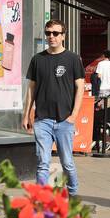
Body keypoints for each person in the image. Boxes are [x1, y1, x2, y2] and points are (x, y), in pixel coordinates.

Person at [23, 19, 85, 197]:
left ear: (63, 36)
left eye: (56, 33)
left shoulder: (73, 59)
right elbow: (31, 89)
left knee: (67, 163)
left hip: (64, 120)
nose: (51, 37)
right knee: (43, 162)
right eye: (48, 33)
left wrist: (73, 115)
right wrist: (26, 114)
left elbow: (80, 87)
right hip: (42, 120)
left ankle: (73, 195)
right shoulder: (37, 59)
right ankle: (40, 199)